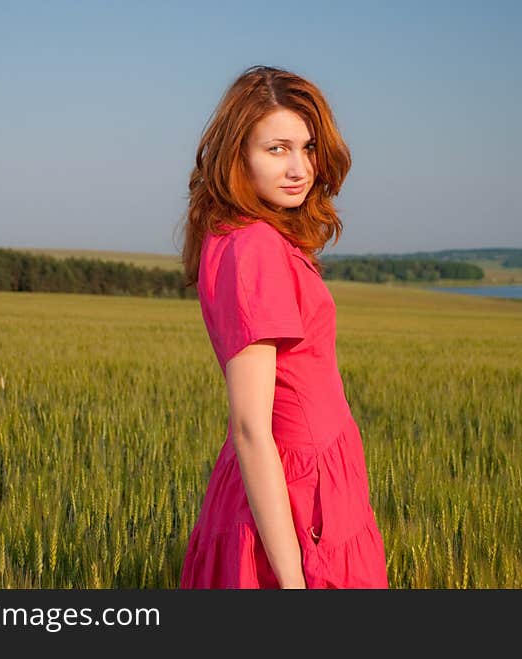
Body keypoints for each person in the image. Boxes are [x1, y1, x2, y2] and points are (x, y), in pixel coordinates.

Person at [177, 65, 388, 589]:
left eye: (308, 147)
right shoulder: (256, 248)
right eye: (277, 149)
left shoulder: (241, 236)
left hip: (307, 476)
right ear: (237, 155)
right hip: (298, 492)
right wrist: (293, 581)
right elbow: (251, 427)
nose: (300, 168)